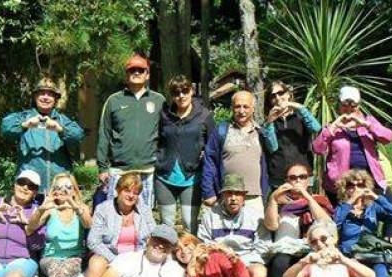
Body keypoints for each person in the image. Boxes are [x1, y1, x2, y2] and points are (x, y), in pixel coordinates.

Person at [312, 85, 392, 240]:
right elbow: (317, 148)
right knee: (344, 220)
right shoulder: (333, 127)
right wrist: (333, 127)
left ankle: (387, 245)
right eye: (345, 105)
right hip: (342, 185)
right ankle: (347, 250)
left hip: (370, 180)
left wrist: (366, 125)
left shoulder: (368, 122)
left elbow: (388, 137)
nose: (349, 109)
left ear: (359, 105)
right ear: (339, 106)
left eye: (353, 105)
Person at [26, 173, 92, 277]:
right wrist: (41, 208)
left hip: (74, 258)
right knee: (56, 268)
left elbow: (88, 224)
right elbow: (30, 229)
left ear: (75, 190)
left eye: (68, 187)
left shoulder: (81, 208)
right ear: (53, 191)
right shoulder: (50, 209)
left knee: (58, 276)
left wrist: (72, 203)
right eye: (59, 187)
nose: (63, 191)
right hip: (49, 258)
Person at [97, 53, 165, 209]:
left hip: (148, 171)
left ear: (147, 74)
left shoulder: (159, 100)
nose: (136, 73)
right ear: (126, 75)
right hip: (119, 171)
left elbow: (166, 134)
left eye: (140, 70)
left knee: (143, 218)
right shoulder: (113, 101)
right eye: (132, 70)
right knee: (115, 217)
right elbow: (104, 134)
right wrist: (102, 167)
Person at [263, 163, 333, 277]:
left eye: (302, 177)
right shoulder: (279, 202)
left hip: (312, 248)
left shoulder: (318, 200)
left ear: (309, 180)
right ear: (286, 181)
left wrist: (307, 197)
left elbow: (326, 223)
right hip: (285, 249)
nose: (297, 181)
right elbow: (271, 225)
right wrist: (273, 200)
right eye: (292, 178)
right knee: (280, 263)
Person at [197, 174, 270, 277]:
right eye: (229, 194)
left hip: (247, 258)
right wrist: (221, 254)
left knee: (259, 275)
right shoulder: (210, 216)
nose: (233, 198)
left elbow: (264, 246)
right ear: (223, 196)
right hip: (218, 258)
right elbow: (204, 241)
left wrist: (240, 261)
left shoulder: (255, 217)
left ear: (244, 197)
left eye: (237, 194)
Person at [86, 173, 156, 277]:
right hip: (109, 254)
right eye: (127, 191)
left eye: (135, 193)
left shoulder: (144, 210)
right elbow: (92, 240)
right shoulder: (103, 209)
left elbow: (153, 234)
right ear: (118, 190)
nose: (131, 196)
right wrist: (114, 259)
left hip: (136, 255)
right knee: (95, 263)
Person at [201, 90, 277, 216]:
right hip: (227, 198)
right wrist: (208, 192)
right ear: (232, 108)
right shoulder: (221, 131)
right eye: (237, 106)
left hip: (254, 199)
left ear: (253, 109)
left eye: (246, 106)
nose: (241, 111)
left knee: (254, 234)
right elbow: (210, 161)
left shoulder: (261, 133)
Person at [1, 77, 84, 192]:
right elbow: (6, 128)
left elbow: (78, 136)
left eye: (50, 94)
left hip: (59, 188)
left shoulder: (62, 120)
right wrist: (25, 125)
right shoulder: (23, 117)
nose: (45, 97)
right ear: (35, 97)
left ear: (55, 99)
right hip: (29, 187)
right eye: (41, 93)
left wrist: (60, 129)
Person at [155, 75, 215, 234]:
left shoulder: (204, 115)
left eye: (184, 91)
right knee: (166, 225)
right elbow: (157, 139)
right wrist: (158, 159)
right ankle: (168, 258)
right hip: (164, 177)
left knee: (189, 223)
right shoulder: (164, 115)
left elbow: (213, 147)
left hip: (191, 178)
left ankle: (190, 257)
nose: (181, 96)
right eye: (176, 93)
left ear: (192, 91)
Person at [263, 81, 321, 188]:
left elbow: (316, 128)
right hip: (279, 178)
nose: (278, 97)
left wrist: (296, 106)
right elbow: (272, 147)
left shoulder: (300, 116)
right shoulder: (268, 124)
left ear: (288, 94)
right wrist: (269, 122)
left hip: (303, 175)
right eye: (273, 96)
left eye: (281, 93)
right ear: (270, 101)